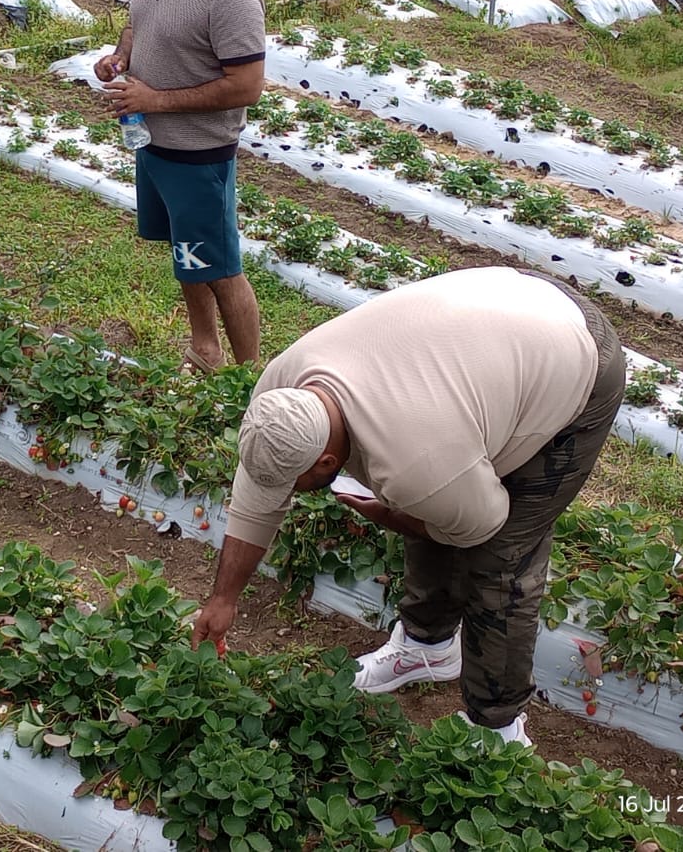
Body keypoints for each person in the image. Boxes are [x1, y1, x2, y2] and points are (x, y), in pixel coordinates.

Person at [189, 267, 626, 747]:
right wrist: (223, 598)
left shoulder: (417, 463)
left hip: (574, 354)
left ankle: (498, 728)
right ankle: (428, 647)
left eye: (295, 485)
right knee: (432, 501)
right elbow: (257, 497)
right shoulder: (280, 394)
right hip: (489, 329)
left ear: (328, 461)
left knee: (502, 556)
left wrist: (398, 517)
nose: (287, 496)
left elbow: (483, 525)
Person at [94, 0, 266, 370]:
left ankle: (247, 377)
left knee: (220, 267)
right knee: (186, 253)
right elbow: (138, 21)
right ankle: (205, 349)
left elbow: (247, 86)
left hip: (198, 155)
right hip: (152, 143)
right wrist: (122, 56)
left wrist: (157, 100)